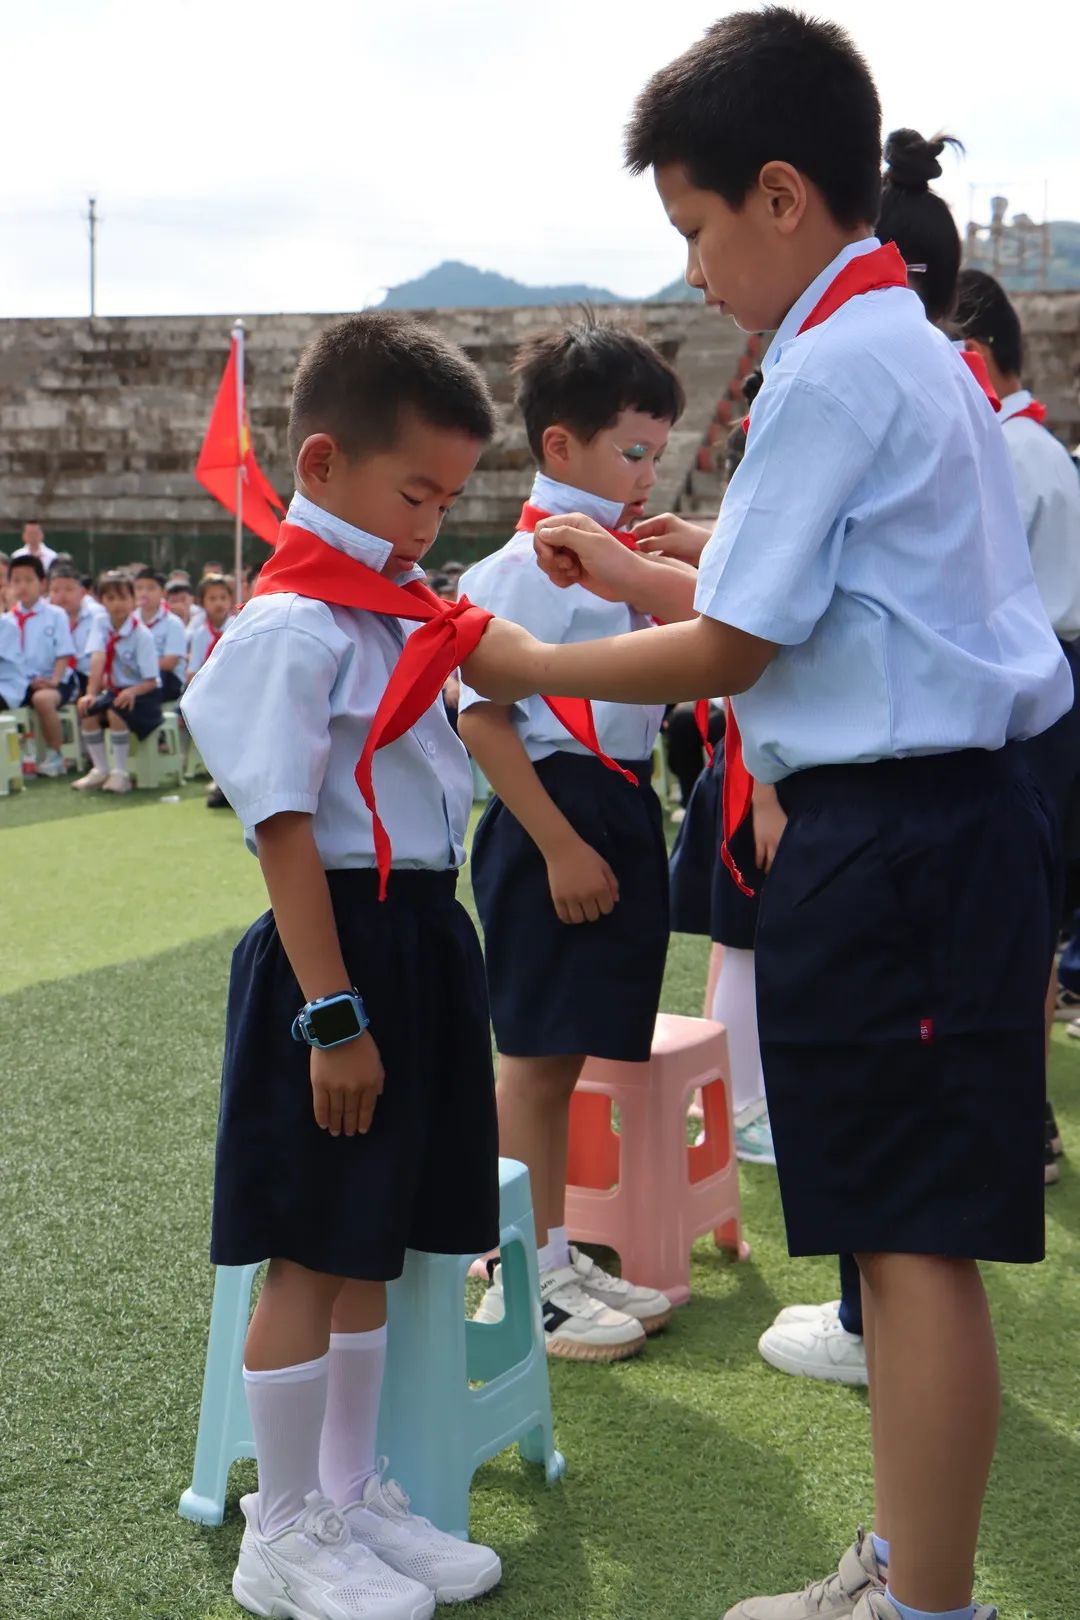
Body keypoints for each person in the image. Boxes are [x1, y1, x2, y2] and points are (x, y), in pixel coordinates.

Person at [462, 12, 1069, 1620]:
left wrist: (522, 649)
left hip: (906, 839)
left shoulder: (837, 365)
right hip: (922, 829)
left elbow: (739, 646)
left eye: (697, 230)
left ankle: (924, 1599)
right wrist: (666, 566)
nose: (697, 274)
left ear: (782, 194)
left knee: (912, 1245)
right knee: (891, 1229)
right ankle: (906, 1571)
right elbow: (798, 608)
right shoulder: (894, 345)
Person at [181, 311, 504, 1620]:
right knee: (310, 1246)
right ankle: (285, 1527)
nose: (431, 521)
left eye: (448, 498)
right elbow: (282, 828)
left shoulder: (395, 608)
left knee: (373, 1242)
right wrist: (331, 1014)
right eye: (412, 491)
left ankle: (354, 1488)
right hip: (342, 950)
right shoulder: (292, 625)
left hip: (418, 930)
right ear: (320, 465)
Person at [458, 319, 684, 1362]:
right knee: (538, 1064)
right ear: (559, 448)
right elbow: (481, 712)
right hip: (556, 809)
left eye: (656, 453)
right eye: (630, 452)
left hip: (617, 801)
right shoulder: (519, 566)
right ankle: (523, 1275)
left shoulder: (619, 559)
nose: (646, 475)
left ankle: (548, 1245)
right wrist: (555, 844)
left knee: (569, 1053)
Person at [957, 265, 1080, 1180]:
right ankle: (1023, 1110)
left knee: (1008, 914)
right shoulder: (1053, 450)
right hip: (1064, 680)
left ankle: (1011, 1112)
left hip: (1022, 692)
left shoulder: (998, 448)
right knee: (1036, 915)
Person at [73, 571, 162, 793]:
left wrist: (132, 691)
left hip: (143, 694)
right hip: (115, 691)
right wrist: (90, 693)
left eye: (122, 597)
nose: (117, 604)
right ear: (101, 600)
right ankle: (100, 769)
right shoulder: (101, 623)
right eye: (110, 598)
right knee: (87, 709)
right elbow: (98, 657)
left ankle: (120, 773)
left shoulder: (142, 635)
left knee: (116, 711)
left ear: (133, 600)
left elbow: (152, 680)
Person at [4, 553, 76, 776]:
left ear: (42, 583)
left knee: (42, 699)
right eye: (16, 580)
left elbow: (64, 654)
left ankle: (55, 755)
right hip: (19, 682)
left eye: (28, 580)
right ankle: (17, 757)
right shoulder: (7, 619)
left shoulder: (55, 615)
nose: (22, 586)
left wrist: (53, 681)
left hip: (55, 680)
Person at [49, 563, 105, 696]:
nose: (62, 595)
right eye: (55, 591)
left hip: (90, 676)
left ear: (82, 592)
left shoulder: (98, 615)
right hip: (58, 676)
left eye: (69, 589)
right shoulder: (45, 615)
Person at [134, 567, 188, 701]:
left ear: (163, 593)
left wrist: (136, 665)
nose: (144, 593)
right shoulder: (131, 621)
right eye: (139, 588)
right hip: (137, 675)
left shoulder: (173, 623)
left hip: (167, 679)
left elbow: (170, 663)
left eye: (151, 588)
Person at [185, 574, 235, 681]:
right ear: (202, 603)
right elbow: (192, 671)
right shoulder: (200, 634)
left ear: (230, 600)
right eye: (212, 599)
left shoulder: (238, 628)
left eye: (223, 598)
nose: (219, 603)